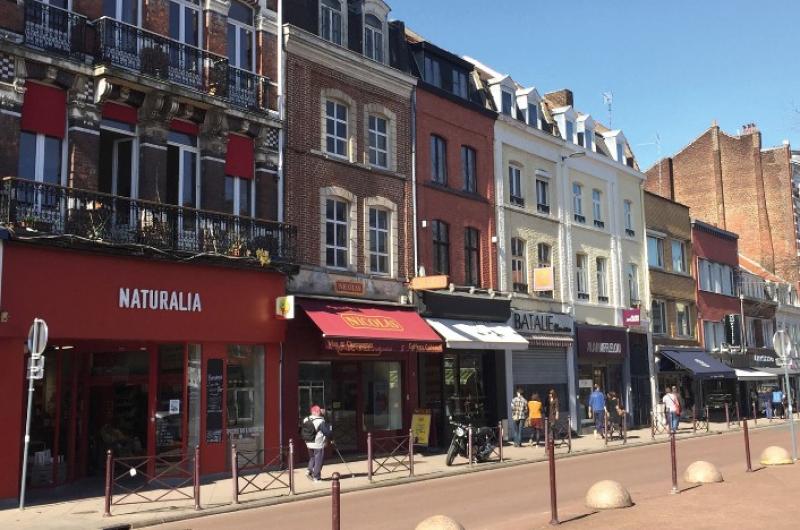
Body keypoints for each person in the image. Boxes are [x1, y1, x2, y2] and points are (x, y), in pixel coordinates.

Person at [303, 405, 332, 482]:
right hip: (318, 444)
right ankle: (316, 477)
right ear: (317, 412)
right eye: (319, 411)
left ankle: (309, 470)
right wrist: (329, 425)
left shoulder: (306, 419)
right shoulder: (320, 421)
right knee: (318, 460)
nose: (320, 412)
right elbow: (327, 432)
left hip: (308, 442)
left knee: (312, 457)